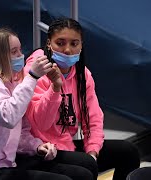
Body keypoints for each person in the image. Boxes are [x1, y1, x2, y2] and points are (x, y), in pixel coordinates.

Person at [0, 28, 94, 180]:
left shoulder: (11, 82)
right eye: (14, 51)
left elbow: (19, 132)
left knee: (83, 171)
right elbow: (8, 117)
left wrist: (37, 146)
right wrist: (32, 77)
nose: (20, 55)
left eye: (20, 50)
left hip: (5, 163)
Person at [24, 18, 140, 180]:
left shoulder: (82, 74)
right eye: (60, 43)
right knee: (84, 168)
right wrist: (55, 88)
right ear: (49, 43)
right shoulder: (35, 71)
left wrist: (92, 151)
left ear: (81, 46)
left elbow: (93, 119)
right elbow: (41, 123)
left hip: (66, 145)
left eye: (74, 44)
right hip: (41, 148)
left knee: (128, 152)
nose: (67, 50)